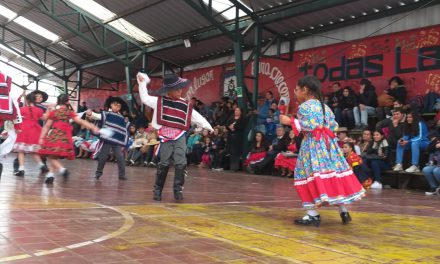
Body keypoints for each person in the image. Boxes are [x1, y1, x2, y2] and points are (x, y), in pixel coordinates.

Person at [280, 75, 365, 226]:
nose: (295, 93)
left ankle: (312, 214)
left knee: (306, 174)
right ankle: (343, 210)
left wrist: (290, 121)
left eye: (297, 90)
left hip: (313, 146)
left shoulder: (305, 107)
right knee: (333, 175)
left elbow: (311, 125)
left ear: (305, 90)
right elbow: (334, 126)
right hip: (329, 146)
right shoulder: (325, 107)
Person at [137, 72, 212, 201]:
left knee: (181, 162)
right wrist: (143, 82)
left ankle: (178, 190)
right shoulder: (159, 101)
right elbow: (144, 98)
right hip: (166, 136)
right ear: (169, 91)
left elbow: (195, 116)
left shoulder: (184, 104)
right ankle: (158, 190)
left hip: (180, 135)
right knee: (164, 163)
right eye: (176, 89)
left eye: (180, 87)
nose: (180, 90)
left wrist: (208, 127)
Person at [39, 94, 100, 184]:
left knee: (51, 156)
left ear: (58, 101)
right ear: (67, 102)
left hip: (55, 135)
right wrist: (92, 126)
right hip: (65, 137)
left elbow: (47, 126)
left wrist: (41, 137)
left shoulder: (54, 112)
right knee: (54, 156)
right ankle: (50, 175)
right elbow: (80, 121)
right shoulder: (69, 112)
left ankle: (62, 170)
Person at [87, 96, 131, 180]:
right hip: (106, 140)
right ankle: (98, 173)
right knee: (102, 157)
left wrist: (128, 124)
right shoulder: (106, 114)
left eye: (119, 106)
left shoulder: (122, 118)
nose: (117, 107)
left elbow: (126, 127)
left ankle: (122, 175)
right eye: (115, 105)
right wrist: (91, 114)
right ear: (111, 105)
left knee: (120, 157)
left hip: (116, 141)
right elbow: (97, 116)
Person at [12, 93, 47, 176]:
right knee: (34, 151)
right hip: (35, 130)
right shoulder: (39, 110)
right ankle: (42, 165)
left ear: (27, 100)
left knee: (21, 150)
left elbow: (15, 117)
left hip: (24, 129)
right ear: (34, 100)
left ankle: (21, 169)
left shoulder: (22, 109)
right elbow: (44, 118)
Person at [226, 107, 246, 172]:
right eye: (235, 110)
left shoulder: (242, 119)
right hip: (231, 136)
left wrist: (234, 127)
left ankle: (236, 167)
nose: (236, 111)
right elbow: (227, 124)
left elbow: (242, 126)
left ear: (241, 112)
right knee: (231, 152)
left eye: (238, 110)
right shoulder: (231, 118)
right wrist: (230, 127)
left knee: (236, 152)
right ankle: (232, 167)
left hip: (238, 137)